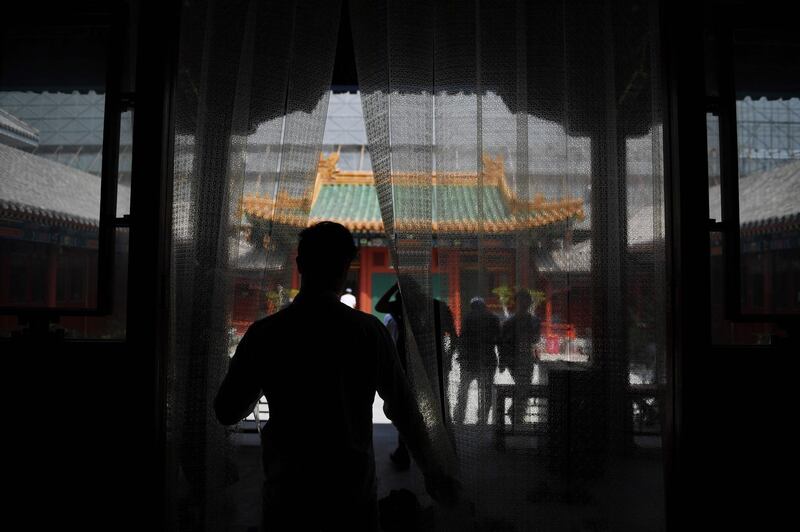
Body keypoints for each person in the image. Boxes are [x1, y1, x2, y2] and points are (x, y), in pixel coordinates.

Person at [214, 222, 457, 531]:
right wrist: (434, 474)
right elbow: (405, 410)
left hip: (288, 493)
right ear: (347, 266)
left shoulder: (266, 334)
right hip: (352, 492)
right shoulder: (370, 333)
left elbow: (226, 410)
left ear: (300, 265)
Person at [454, 297, 500, 425]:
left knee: (463, 389)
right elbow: (499, 340)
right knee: (485, 391)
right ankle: (482, 418)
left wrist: (461, 356)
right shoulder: (493, 318)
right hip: (488, 359)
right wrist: (502, 360)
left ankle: (459, 417)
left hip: (469, 360)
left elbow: (462, 339)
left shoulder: (468, 318)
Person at [499, 290, 542, 427]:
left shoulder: (533, 321)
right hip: (515, 360)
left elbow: (535, 340)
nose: (523, 304)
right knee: (523, 387)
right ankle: (517, 417)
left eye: (526, 301)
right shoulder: (510, 323)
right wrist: (503, 361)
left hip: (526, 359)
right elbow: (503, 344)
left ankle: (517, 415)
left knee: (524, 388)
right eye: (521, 301)